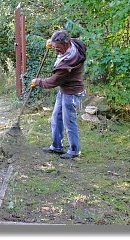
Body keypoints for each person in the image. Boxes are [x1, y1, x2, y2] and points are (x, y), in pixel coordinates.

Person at [31, 29, 86, 159]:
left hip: (72, 93)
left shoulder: (68, 64)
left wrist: (37, 81)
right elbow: (74, 41)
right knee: (56, 117)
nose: (56, 50)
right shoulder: (75, 43)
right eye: (54, 47)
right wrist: (52, 42)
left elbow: (52, 82)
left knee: (69, 122)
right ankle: (57, 146)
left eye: (58, 48)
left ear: (66, 44)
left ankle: (74, 151)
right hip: (64, 90)